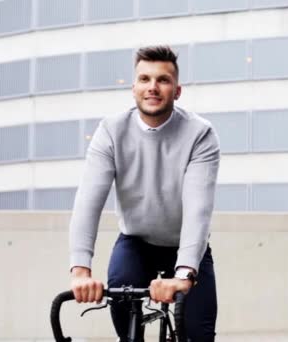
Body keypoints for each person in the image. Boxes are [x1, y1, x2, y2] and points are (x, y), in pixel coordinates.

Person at [68, 45, 220, 341]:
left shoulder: (200, 134)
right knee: (125, 318)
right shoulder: (111, 131)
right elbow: (88, 203)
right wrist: (80, 270)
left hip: (186, 245)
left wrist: (186, 273)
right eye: (144, 79)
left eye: (163, 80)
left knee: (199, 335)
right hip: (136, 242)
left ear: (177, 91)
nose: (153, 87)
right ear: (134, 88)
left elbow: (198, 211)